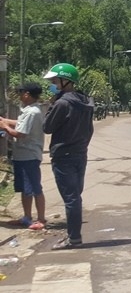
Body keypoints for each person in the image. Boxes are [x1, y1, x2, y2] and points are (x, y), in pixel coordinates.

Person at [42, 63, 94, 250]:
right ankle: (73, 236)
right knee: (75, 196)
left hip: (63, 155)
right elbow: (90, 130)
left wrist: (51, 104)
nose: (52, 84)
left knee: (71, 198)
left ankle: (73, 238)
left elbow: (47, 127)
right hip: (80, 153)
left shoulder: (62, 103)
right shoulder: (86, 101)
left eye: (55, 81)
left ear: (65, 81)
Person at [0, 83, 47, 230]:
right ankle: (27, 216)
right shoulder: (29, 111)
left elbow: (20, 134)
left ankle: (41, 219)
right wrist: (6, 121)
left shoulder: (32, 112)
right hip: (21, 155)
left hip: (29, 155)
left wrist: (5, 127)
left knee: (34, 188)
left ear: (27, 94)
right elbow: (20, 124)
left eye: (21, 92)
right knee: (25, 189)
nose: (19, 95)